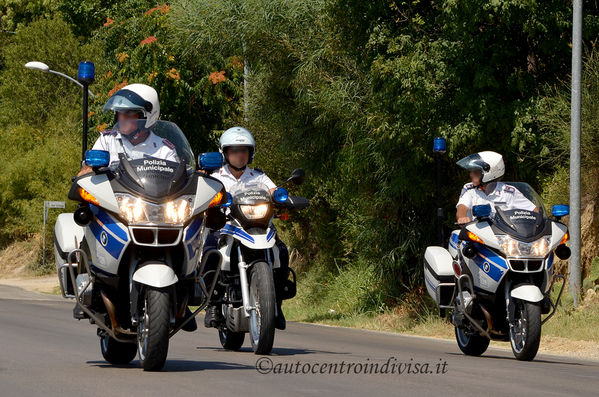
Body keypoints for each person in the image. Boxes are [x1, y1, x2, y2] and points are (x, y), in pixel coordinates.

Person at [203, 126, 291, 330]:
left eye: (244, 150)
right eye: (234, 150)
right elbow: (205, 193)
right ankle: (213, 304)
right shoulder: (215, 176)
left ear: (251, 153)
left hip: (257, 226)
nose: (240, 155)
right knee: (209, 250)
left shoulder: (258, 176)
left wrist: (281, 196)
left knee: (282, 251)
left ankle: (275, 305)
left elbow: (272, 189)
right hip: (226, 226)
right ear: (225, 153)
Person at [78, 83, 178, 176]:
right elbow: (88, 169)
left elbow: (175, 181)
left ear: (148, 116)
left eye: (129, 113)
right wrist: (87, 169)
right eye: (119, 113)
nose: (122, 118)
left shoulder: (164, 151)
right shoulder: (107, 141)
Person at [455, 151, 536, 224]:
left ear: (489, 173)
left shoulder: (508, 192)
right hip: (477, 237)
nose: (471, 175)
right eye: (471, 172)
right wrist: (462, 217)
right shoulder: (469, 189)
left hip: (504, 236)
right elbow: (462, 207)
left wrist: (543, 220)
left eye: (476, 172)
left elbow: (533, 210)